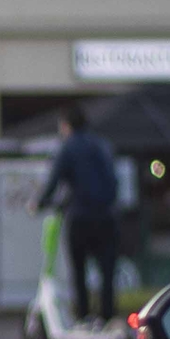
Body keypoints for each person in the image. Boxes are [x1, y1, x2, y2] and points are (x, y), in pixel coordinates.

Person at [33, 103, 120, 325]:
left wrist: (39, 203)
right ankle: (107, 317)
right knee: (106, 271)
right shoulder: (102, 146)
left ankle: (83, 317)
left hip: (79, 216)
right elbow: (113, 180)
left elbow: (54, 182)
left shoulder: (67, 148)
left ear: (66, 125)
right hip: (106, 216)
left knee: (79, 269)